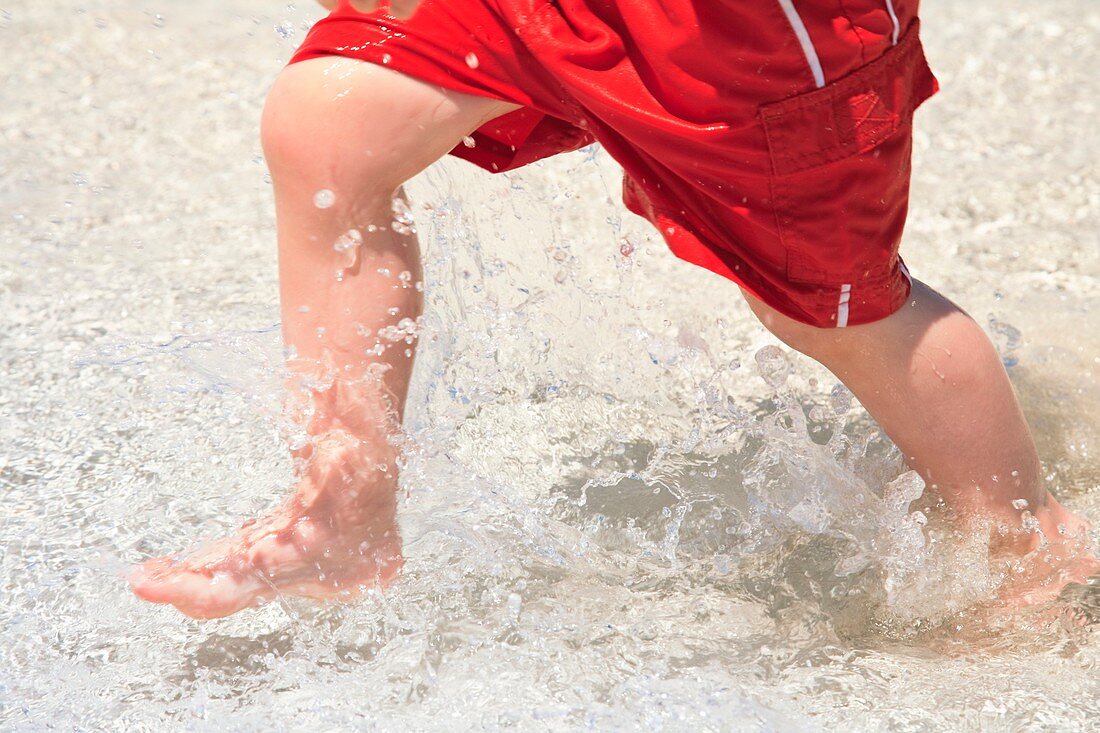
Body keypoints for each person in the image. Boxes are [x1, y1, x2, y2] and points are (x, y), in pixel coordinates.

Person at [129, 0, 1097, 619]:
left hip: (743, 29)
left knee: (830, 307)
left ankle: (1019, 541)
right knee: (330, 126)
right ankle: (342, 502)